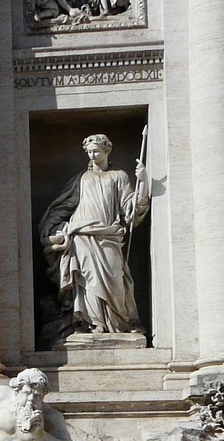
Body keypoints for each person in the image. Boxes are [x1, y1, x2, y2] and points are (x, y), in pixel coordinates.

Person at [39, 133, 149, 338]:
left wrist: (143, 183)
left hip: (109, 235)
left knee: (115, 279)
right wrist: (52, 228)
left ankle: (118, 323)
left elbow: (131, 210)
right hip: (81, 235)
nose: (92, 155)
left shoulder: (119, 176)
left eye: (96, 150)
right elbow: (62, 207)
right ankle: (92, 323)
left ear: (107, 150)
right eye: (89, 152)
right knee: (87, 280)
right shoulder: (81, 179)